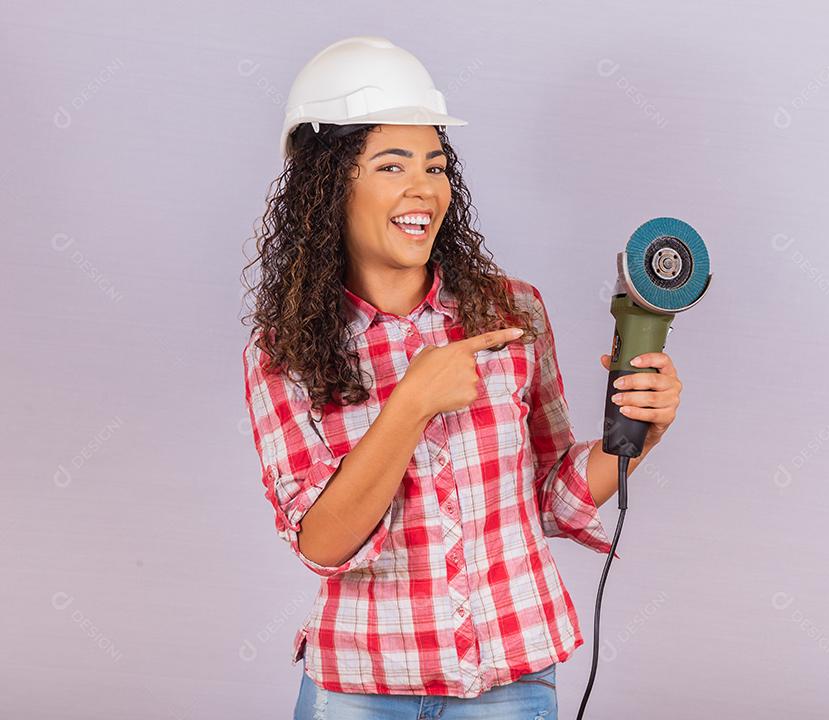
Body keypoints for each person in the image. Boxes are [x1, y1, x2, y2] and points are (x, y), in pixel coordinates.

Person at [240, 37, 683, 719]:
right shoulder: (283, 352)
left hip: (508, 680)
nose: (424, 188)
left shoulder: (511, 312)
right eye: (391, 165)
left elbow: (549, 496)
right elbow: (322, 543)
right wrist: (410, 403)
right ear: (327, 186)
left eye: (436, 165)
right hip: (360, 685)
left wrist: (638, 437)